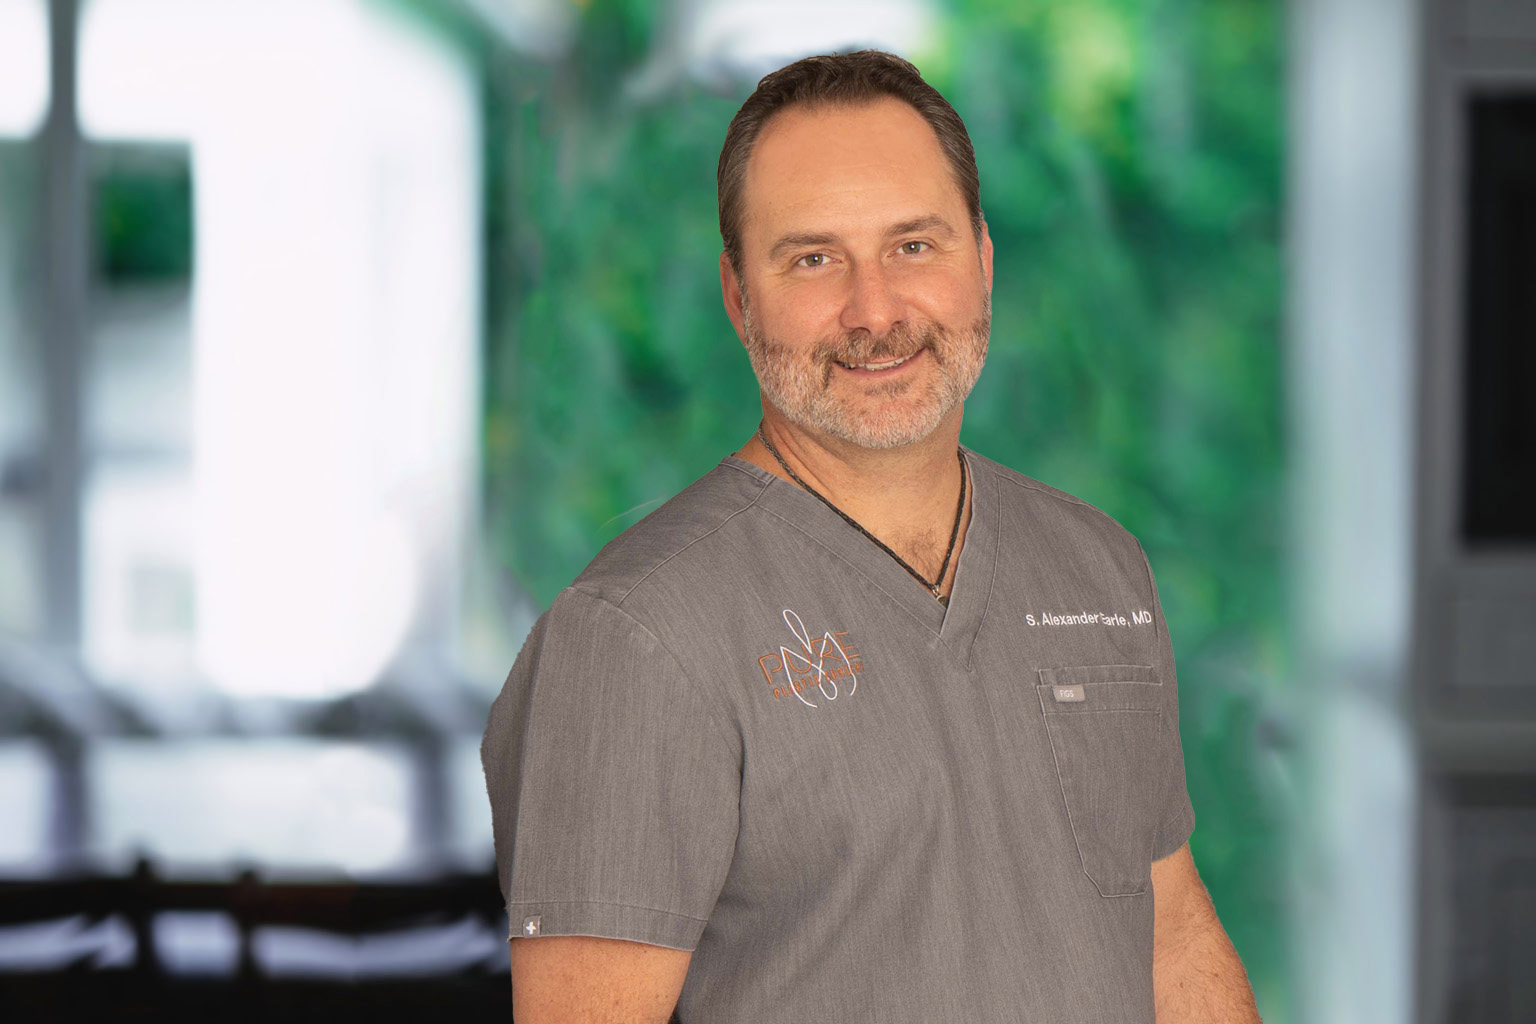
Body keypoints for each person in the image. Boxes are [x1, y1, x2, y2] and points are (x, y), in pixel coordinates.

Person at [482, 49, 1262, 1023]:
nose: (875, 311)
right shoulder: (630, 638)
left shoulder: (1099, 566)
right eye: (813, 259)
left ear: (983, 264)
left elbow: (1172, 933)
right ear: (738, 295)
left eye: (914, 246)